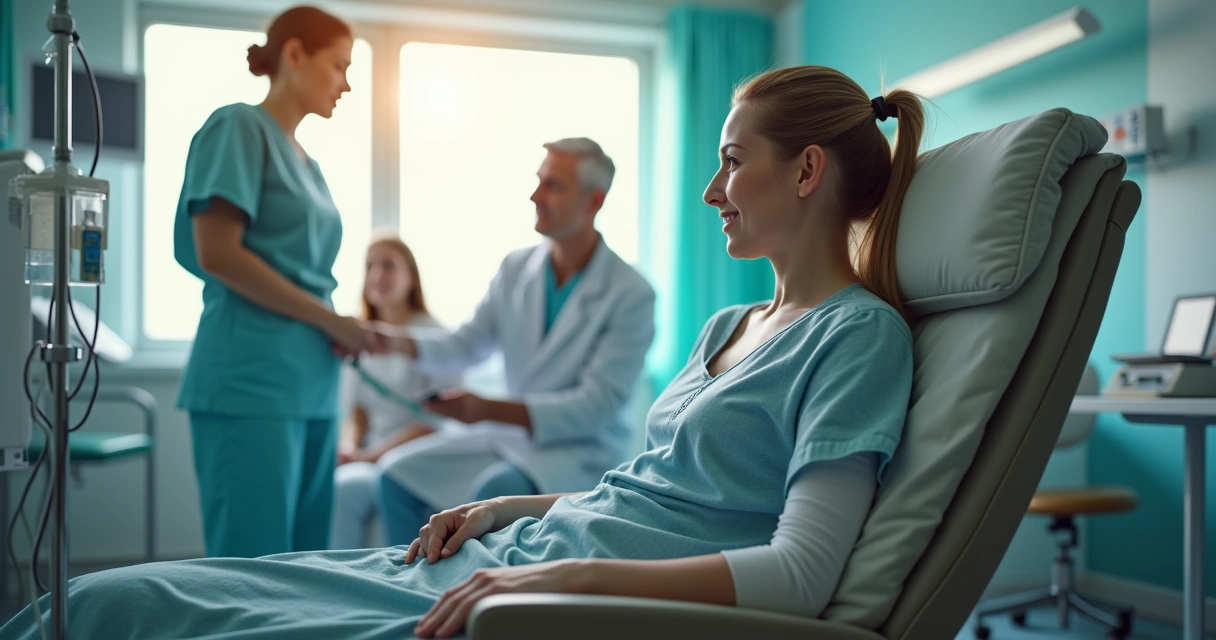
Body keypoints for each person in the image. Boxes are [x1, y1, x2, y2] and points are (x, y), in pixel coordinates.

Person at [1, 65, 923, 640]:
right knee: (138, 596)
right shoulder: (725, 328)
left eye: (732, 160)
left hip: (554, 580)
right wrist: (501, 511)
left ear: (806, 170)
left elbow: (801, 578)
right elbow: (647, 481)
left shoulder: (855, 336)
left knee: (136, 616)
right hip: (530, 538)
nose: (711, 189)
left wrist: (552, 574)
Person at [370, 137, 657, 546]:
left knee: (492, 491)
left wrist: (487, 408)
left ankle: (463, 598)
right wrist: (391, 342)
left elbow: (595, 407)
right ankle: (409, 585)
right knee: (395, 474)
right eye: (538, 182)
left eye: (553, 186)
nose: (535, 196)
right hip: (510, 440)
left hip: (576, 453)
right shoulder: (515, 268)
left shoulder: (631, 293)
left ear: (594, 202)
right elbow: (466, 344)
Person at [171, 6, 370, 558]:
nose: (346, 84)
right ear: (294, 54)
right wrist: (329, 320)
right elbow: (218, 253)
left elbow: (303, 272)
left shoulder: (309, 164)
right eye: (338, 66)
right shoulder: (238, 127)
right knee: (252, 571)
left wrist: (340, 328)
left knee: (306, 569)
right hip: (251, 382)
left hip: (313, 384)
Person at [330, 233, 462, 549]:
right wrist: (349, 448)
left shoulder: (434, 339)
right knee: (343, 488)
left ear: (412, 277)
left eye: (388, 265)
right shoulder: (360, 341)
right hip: (370, 454)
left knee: (367, 485)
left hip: (414, 458)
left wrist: (370, 456)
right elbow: (359, 411)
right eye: (370, 267)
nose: (377, 275)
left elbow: (436, 420)